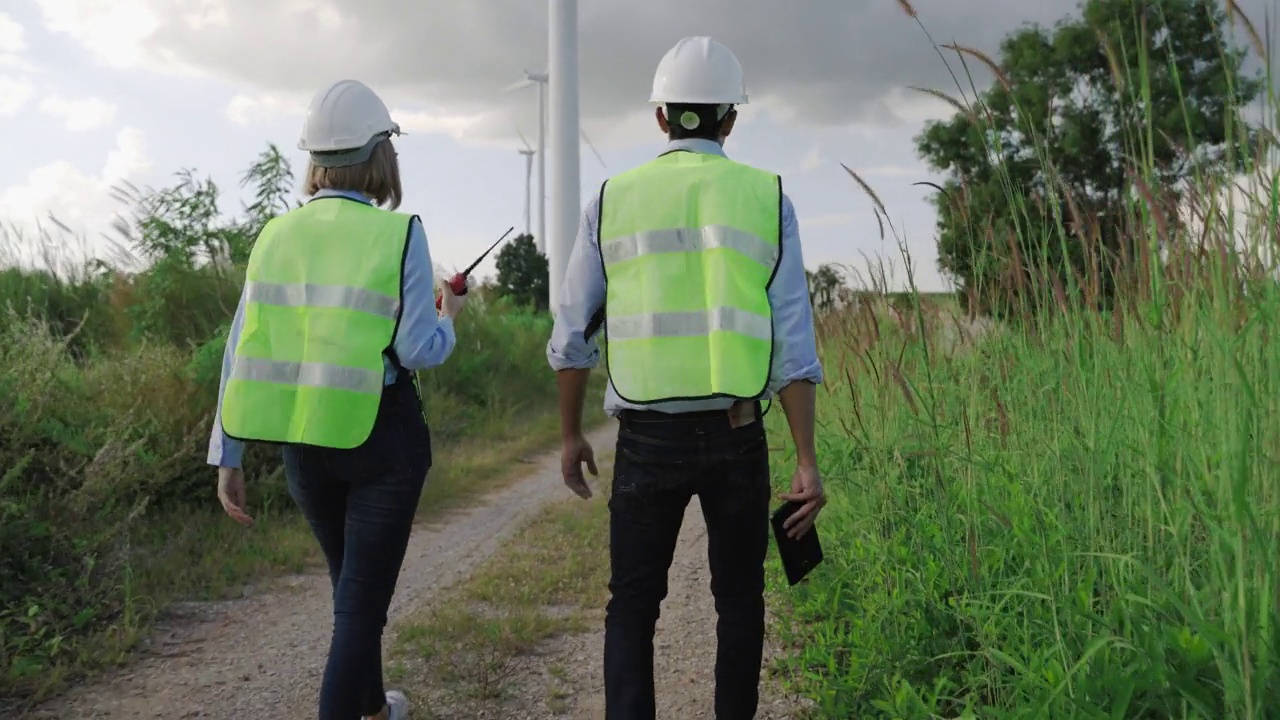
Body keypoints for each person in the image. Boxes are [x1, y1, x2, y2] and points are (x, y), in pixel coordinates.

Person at [547, 36, 827, 720]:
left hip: (646, 439)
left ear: (661, 117)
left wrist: (569, 436)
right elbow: (793, 340)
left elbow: (571, 334)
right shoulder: (768, 197)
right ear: (730, 119)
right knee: (739, 600)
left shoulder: (612, 200)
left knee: (633, 605)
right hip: (737, 434)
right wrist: (806, 459)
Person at [207, 79, 466, 720]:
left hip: (303, 443)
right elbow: (415, 351)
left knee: (350, 588)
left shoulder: (273, 235)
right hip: (382, 439)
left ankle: (374, 706)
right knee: (360, 602)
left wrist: (228, 453)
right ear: (382, 154)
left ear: (315, 158)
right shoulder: (400, 232)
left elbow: (241, 349)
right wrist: (450, 315)